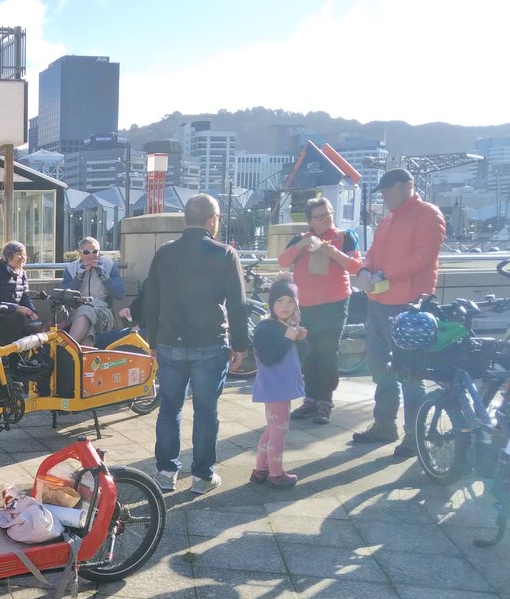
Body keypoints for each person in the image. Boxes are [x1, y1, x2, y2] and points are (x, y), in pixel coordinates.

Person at [142, 193, 249, 494]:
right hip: (211, 343)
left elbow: (151, 299)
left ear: (186, 219)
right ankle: (202, 476)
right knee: (206, 411)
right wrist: (239, 345)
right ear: (212, 220)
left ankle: (165, 473)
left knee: (169, 408)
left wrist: (152, 341)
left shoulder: (165, 253)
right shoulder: (225, 253)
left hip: (170, 342)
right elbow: (238, 305)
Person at [352, 168, 446, 456]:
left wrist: (383, 273)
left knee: (410, 373)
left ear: (408, 186)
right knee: (380, 367)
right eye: (382, 191)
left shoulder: (428, 214)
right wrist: (367, 269)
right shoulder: (388, 220)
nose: (385, 195)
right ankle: (384, 424)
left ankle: (414, 436)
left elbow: (424, 257)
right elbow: (374, 254)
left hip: (410, 305)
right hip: (380, 301)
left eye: (389, 190)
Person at [277, 196, 363, 424]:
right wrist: (301, 245)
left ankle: (325, 401)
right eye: (319, 216)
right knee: (308, 352)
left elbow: (356, 267)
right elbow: (283, 261)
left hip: (335, 303)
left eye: (328, 214)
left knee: (328, 352)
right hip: (305, 304)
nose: (326, 219)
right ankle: (310, 399)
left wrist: (332, 251)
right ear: (310, 220)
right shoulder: (301, 239)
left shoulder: (345, 237)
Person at [251, 279, 309, 489]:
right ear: (271, 304)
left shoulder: (286, 327)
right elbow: (268, 357)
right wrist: (287, 339)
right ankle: (276, 474)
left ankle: (261, 470)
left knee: (271, 430)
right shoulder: (266, 328)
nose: (285, 306)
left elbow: (304, 355)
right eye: (280, 301)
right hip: (276, 388)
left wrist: (299, 339)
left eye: (290, 302)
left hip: (280, 388)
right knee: (279, 432)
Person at [60, 237, 125, 344]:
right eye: (87, 252)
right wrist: (78, 277)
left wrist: (103, 275)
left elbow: (120, 294)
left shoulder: (109, 265)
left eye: (95, 252)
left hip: (103, 313)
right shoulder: (71, 268)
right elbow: (63, 297)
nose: (91, 255)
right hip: (77, 312)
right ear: (80, 253)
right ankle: (83, 359)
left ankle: (67, 348)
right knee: (87, 334)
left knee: (87, 310)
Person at [0, 241, 40, 341]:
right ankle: (12, 355)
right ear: (8, 256)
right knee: (17, 317)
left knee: (20, 321)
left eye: (24, 254)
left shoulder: (22, 274)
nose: (23, 258)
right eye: (19, 254)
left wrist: (32, 311)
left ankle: (14, 353)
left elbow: (25, 296)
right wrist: (16, 308)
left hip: (9, 319)